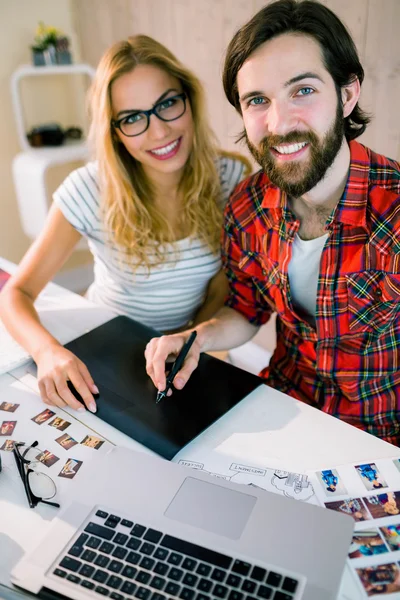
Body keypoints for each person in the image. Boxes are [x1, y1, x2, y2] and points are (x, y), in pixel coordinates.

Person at [145, 0, 400, 445]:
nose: (279, 123)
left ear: (347, 94)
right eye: (258, 100)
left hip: (380, 439)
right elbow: (245, 311)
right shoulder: (247, 205)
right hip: (282, 408)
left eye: (303, 90)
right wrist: (196, 338)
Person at [0, 36, 249, 414]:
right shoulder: (89, 189)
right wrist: (48, 353)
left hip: (189, 347)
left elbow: (221, 285)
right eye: (132, 118)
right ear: (114, 132)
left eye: (167, 103)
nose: (159, 131)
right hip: (107, 344)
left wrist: (186, 342)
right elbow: (16, 294)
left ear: (189, 99)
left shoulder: (232, 178)